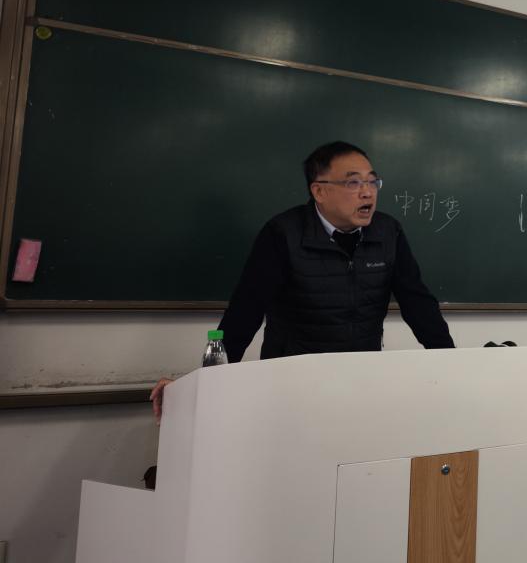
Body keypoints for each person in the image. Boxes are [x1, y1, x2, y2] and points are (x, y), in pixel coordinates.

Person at [149, 141, 455, 421]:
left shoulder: (388, 232)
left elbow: (418, 303)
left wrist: (454, 365)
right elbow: (245, 311)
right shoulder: (283, 233)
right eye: (353, 182)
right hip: (291, 387)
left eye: (372, 182)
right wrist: (200, 386)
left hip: (361, 382)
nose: (368, 192)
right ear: (319, 191)